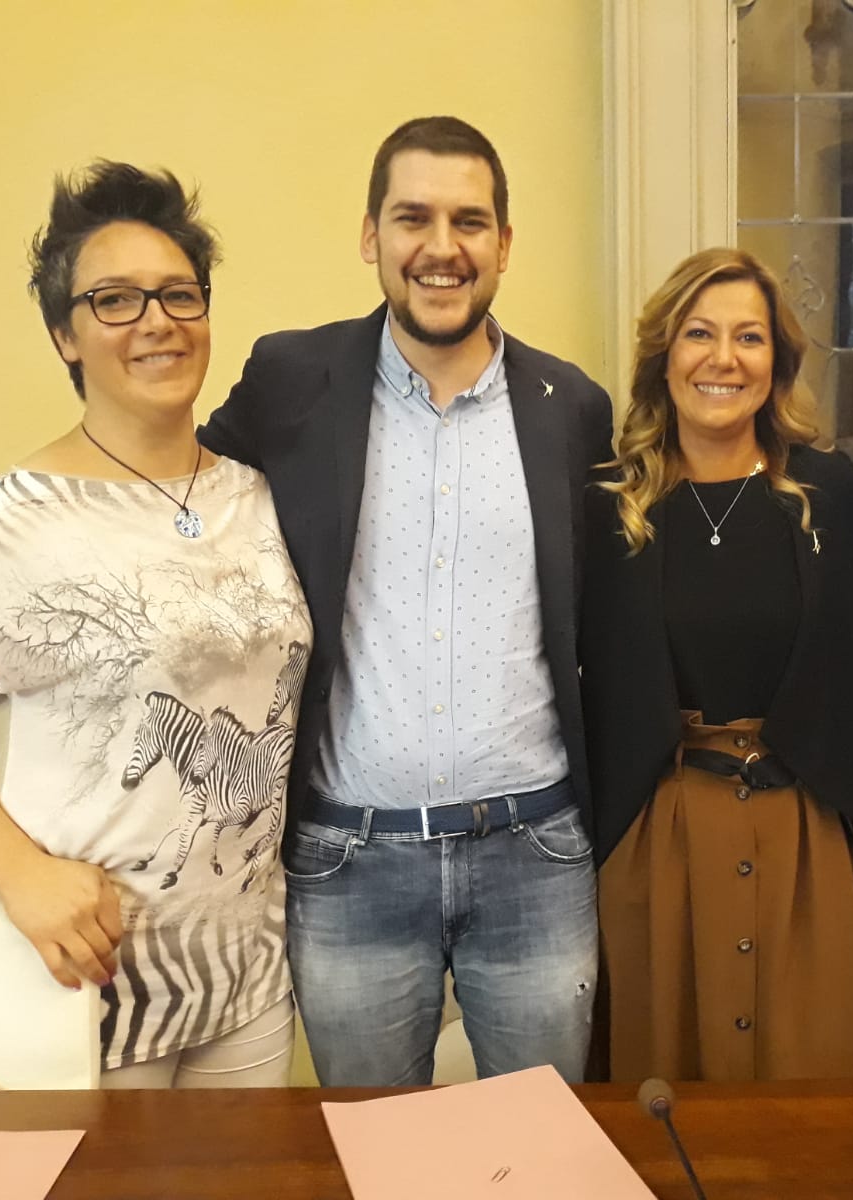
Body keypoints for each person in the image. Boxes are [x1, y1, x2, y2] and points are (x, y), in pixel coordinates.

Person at [0, 162, 311, 1087]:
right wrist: (21, 874)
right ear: (65, 334)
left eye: (179, 294)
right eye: (115, 300)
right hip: (70, 986)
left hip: (244, 981)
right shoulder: (2, 528)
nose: (157, 321)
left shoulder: (262, 499)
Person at [198, 116, 614, 1087]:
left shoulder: (571, 407)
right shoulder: (291, 382)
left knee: (541, 1145)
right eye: (412, 218)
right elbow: (182, 494)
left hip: (535, 855)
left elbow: (607, 614)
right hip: (350, 861)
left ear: (503, 244)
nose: (441, 247)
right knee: (375, 1148)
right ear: (370, 236)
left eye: (469, 221)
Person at [581, 247, 853, 1082]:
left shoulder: (836, 498)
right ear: (664, 354)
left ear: (777, 362)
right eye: (699, 333)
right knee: (664, 1083)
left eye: (749, 338)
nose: (723, 359)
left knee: (818, 1082)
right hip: (658, 839)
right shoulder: (608, 507)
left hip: (808, 836)